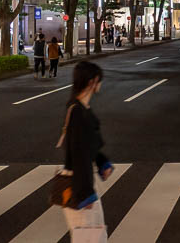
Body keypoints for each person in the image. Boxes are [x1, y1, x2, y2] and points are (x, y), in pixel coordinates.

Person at [59, 62, 114, 241]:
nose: (100, 84)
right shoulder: (77, 113)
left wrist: (101, 162)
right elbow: (78, 153)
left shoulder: (82, 109)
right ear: (92, 81)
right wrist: (85, 194)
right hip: (78, 183)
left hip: (83, 181)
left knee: (94, 235)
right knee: (88, 237)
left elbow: (87, 145)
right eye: (99, 80)